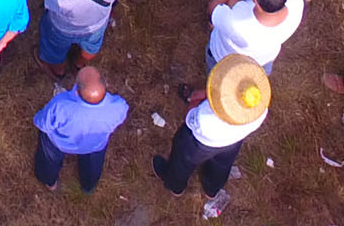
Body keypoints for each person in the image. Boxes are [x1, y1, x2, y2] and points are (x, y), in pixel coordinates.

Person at [156, 56, 269, 212]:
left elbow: (190, 117)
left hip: (200, 143)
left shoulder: (205, 117)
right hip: (232, 142)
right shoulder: (259, 109)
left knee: (182, 160)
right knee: (222, 164)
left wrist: (194, 101)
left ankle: (176, 185)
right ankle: (211, 189)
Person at [33, 63, 133, 195]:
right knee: (93, 166)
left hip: (60, 144)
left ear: (76, 91)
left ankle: (50, 181)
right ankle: (88, 187)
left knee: (47, 154)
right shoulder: (119, 106)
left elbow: (42, 122)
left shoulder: (61, 106)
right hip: (95, 145)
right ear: (105, 85)